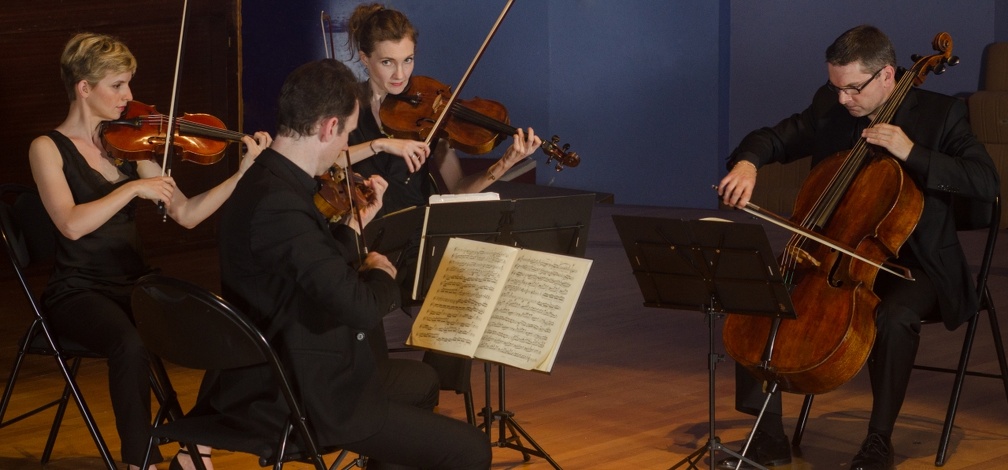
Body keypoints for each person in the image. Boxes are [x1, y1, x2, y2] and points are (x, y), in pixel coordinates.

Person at [716, 25, 999, 470]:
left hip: (917, 265)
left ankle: (878, 441)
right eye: (837, 87)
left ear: (887, 75)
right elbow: (774, 136)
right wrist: (749, 164)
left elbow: (986, 183)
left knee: (894, 316)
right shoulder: (831, 106)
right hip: (837, 259)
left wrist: (912, 152)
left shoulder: (942, 115)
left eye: (853, 89)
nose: (843, 99)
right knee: (760, 297)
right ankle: (767, 437)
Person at [193, 58, 492, 470]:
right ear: (329, 127)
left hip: (285, 361)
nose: (345, 147)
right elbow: (360, 306)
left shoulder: (265, 181)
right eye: (348, 133)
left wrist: (353, 227)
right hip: (298, 392)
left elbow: (308, 264)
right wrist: (381, 275)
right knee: (471, 450)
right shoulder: (279, 205)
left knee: (421, 382)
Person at [28, 32, 271, 470]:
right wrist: (133, 188)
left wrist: (244, 172)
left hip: (135, 285)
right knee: (130, 343)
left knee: (226, 325)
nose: (130, 96)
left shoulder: (131, 142)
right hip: (78, 291)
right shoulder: (47, 148)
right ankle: (141, 463)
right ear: (85, 88)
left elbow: (188, 214)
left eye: (129, 84)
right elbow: (70, 223)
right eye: (118, 85)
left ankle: (194, 447)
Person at [342, 1, 543, 400]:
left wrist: (502, 164)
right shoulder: (347, 107)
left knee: (470, 284)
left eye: (408, 59)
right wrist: (382, 142)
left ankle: (426, 394)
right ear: (365, 59)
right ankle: (379, 393)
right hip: (365, 243)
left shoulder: (430, 116)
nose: (401, 74)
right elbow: (321, 158)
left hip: (418, 241)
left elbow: (456, 193)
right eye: (387, 62)